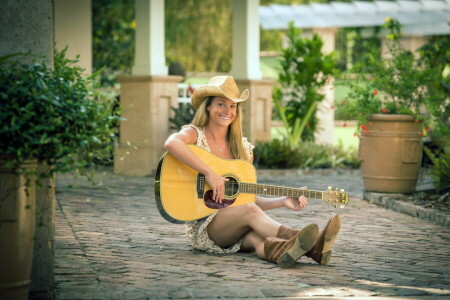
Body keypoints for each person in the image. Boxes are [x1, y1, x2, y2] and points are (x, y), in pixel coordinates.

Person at [164, 76, 341, 268]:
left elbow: (245, 200)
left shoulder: (241, 149)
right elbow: (172, 143)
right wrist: (208, 173)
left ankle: (290, 251)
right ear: (208, 106)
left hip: (235, 227)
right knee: (250, 212)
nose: (227, 111)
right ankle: (311, 244)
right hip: (207, 228)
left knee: (258, 239)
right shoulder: (195, 134)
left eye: (233, 106)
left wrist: (282, 201)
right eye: (221, 104)